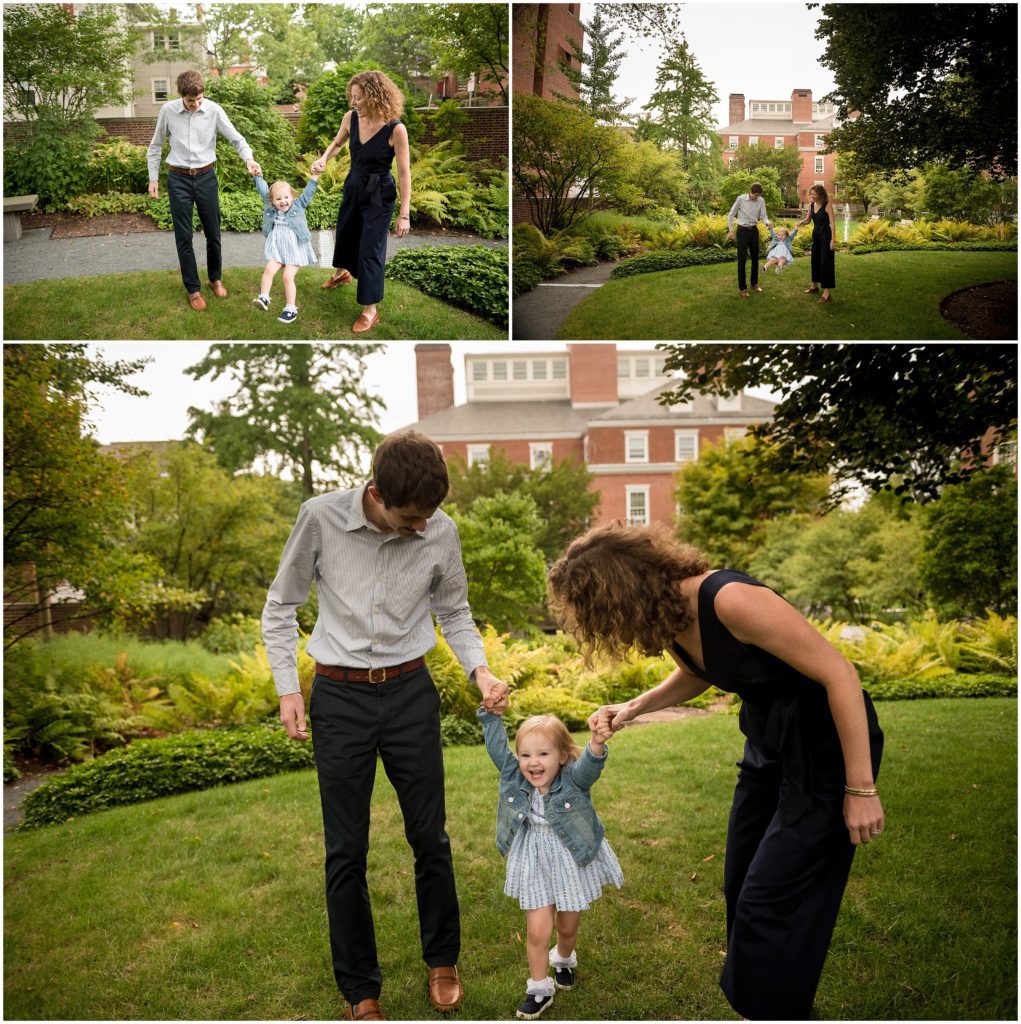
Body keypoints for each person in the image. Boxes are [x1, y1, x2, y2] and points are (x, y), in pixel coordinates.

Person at [546, 522, 885, 1021]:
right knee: (741, 884)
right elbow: (703, 669)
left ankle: (774, 1011)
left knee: (770, 900)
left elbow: (840, 674)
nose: (607, 629)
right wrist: (634, 707)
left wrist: (860, 787)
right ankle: (768, 1005)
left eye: (601, 615)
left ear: (624, 595)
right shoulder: (670, 619)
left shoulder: (729, 599)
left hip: (825, 746)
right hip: (768, 743)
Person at [263, 430, 510, 1022]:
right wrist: (288, 689)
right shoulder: (319, 518)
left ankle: (442, 961)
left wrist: (480, 670)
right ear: (375, 493)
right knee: (345, 850)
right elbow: (281, 606)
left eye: (429, 516)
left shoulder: (440, 529)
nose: (421, 527)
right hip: (340, 700)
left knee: (431, 837)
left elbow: (453, 610)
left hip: (409, 693)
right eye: (409, 518)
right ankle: (360, 990)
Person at [476, 706, 623, 1020]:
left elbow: (590, 767)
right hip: (535, 857)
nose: (533, 763)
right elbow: (497, 749)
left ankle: (564, 959)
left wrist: (597, 742)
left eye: (543, 753)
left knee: (566, 928)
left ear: (562, 756)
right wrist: (490, 716)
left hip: (570, 857)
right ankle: (539, 989)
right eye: (525, 755)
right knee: (537, 931)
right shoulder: (514, 773)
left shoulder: (574, 777)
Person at [147, 70, 261, 311]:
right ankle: (193, 288)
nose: (196, 105)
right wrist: (153, 178)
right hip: (178, 178)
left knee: (213, 232)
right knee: (183, 236)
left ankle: (215, 278)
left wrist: (248, 159)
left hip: (206, 176)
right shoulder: (168, 111)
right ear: (181, 96)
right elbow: (155, 146)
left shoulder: (214, 110)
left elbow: (237, 140)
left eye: (199, 100)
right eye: (191, 101)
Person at [311, 70, 412, 333]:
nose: (353, 103)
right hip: (354, 185)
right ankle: (341, 273)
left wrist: (404, 214)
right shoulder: (351, 118)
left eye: (358, 98)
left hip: (379, 194)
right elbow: (336, 143)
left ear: (375, 97)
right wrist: (324, 159)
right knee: (345, 232)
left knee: (370, 248)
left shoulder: (395, 129)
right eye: (352, 97)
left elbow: (403, 173)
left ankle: (370, 310)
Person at [251, 171, 319, 324]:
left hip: (295, 249)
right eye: (278, 199)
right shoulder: (272, 208)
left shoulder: (299, 205)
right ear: (272, 201)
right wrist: (257, 176)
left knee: (287, 277)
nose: (283, 201)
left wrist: (315, 176)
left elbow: (308, 192)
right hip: (278, 249)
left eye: (286, 197)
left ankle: (290, 309)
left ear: (292, 197)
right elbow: (264, 191)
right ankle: (264, 298)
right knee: (268, 269)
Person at [726, 182, 772, 297]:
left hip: (754, 231)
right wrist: (731, 230)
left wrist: (767, 222)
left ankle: (754, 284)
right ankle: (742, 289)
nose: (757, 198)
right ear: (750, 192)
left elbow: (763, 216)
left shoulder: (761, 200)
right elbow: (731, 214)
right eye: (755, 195)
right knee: (742, 260)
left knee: (755, 259)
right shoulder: (741, 199)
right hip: (742, 231)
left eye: (758, 196)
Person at [799, 184, 837, 302]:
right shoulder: (811, 205)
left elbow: (832, 223)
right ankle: (814, 286)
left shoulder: (827, 206)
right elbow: (808, 220)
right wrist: (801, 223)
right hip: (816, 237)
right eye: (811, 194)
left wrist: (833, 240)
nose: (812, 196)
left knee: (826, 263)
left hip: (826, 237)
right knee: (814, 260)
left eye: (814, 194)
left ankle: (826, 292)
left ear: (820, 194)